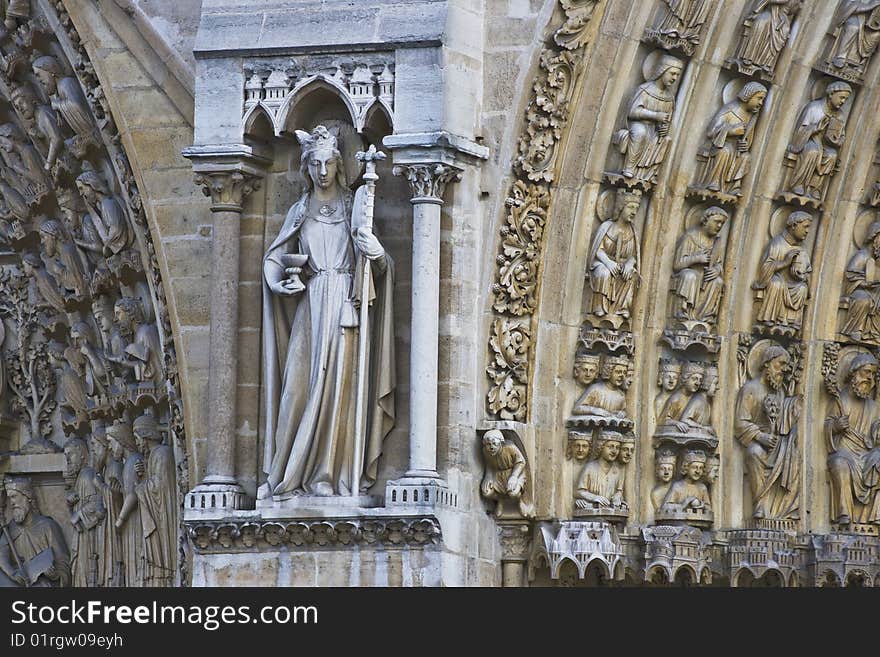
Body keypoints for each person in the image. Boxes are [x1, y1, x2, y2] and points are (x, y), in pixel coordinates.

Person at [259, 125, 396, 499]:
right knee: (297, 388)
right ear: (307, 167)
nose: (322, 171)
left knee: (340, 390)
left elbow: (379, 269)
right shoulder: (300, 209)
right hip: (311, 300)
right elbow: (275, 256)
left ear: (338, 165)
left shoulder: (355, 208)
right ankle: (287, 474)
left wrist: (377, 253)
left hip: (344, 306)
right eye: (315, 164)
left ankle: (328, 477)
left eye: (329, 163)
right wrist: (277, 282)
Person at [734, 344, 800, 520]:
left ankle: (786, 507)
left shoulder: (781, 392)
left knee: (794, 453)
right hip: (759, 441)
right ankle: (760, 504)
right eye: (780, 364)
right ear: (767, 364)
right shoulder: (750, 388)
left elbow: (784, 421)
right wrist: (760, 436)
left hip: (777, 442)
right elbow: (740, 422)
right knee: (754, 452)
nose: (783, 370)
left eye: (786, 366)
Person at [824, 352, 880, 525]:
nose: (869, 378)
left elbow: (875, 435)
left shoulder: (873, 406)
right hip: (845, 452)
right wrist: (835, 427)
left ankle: (876, 515)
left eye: (872, 374)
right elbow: (828, 425)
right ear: (854, 373)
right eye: (866, 372)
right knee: (838, 462)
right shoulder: (839, 400)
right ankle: (844, 514)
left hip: (866, 454)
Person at [613, 55, 683, 185]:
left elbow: (667, 119)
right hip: (639, 124)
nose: (675, 78)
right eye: (672, 73)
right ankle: (629, 167)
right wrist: (655, 115)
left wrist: (664, 128)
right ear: (662, 70)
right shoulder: (645, 89)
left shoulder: (669, 97)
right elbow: (633, 111)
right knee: (640, 133)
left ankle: (649, 173)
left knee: (667, 140)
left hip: (654, 130)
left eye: (677, 75)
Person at [693, 83, 767, 197]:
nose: (761, 103)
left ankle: (734, 187)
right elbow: (710, 132)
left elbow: (748, 138)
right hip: (718, 146)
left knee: (746, 157)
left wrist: (745, 145)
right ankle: (714, 182)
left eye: (762, 100)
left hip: (736, 150)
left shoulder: (752, 116)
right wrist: (730, 131)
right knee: (725, 151)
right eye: (759, 98)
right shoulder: (729, 109)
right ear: (749, 95)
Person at [783, 81, 851, 201]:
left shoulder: (840, 115)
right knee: (812, 151)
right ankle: (798, 183)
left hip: (825, 145)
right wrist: (815, 128)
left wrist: (837, 141)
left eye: (845, 99)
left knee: (832, 155)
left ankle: (815, 188)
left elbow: (842, 136)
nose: (843, 101)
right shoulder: (814, 107)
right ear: (831, 94)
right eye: (841, 97)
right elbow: (800, 131)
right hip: (810, 141)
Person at [0, 477, 70, 587]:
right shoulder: (9, 529)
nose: (12, 503)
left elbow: (63, 563)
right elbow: (1, 555)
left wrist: (55, 574)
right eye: (9, 499)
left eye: (14, 497)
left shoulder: (47, 526)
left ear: (27, 496)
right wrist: (12, 573)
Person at [587, 189, 641, 327]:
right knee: (603, 272)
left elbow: (634, 255)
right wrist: (608, 263)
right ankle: (600, 306)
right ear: (620, 207)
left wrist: (629, 264)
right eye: (630, 207)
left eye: (636, 208)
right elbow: (597, 250)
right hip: (604, 262)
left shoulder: (633, 231)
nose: (634, 212)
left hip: (622, 265)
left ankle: (623, 308)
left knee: (631, 275)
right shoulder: (607, 226)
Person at [753, 211, 813, 330]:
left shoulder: (803, 248)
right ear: (794, 225)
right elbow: (765, 268)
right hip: (778, 280)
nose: (807, 231)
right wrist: (785, 263)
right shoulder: (777, 243)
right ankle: (770, 317)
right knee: (777, 284)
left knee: (802, 288)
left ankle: (793, 321)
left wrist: (802, 276)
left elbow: (808, 271)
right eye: (805, 227)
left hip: (794, 284)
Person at [670, 207, 728, 326]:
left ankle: (704, 316)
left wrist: (717, 270)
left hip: (704, 279)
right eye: (716, 221)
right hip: (688, 275)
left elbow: (718, 263)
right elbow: (677, 264)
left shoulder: (715, 242)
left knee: (718, 281)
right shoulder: (690, 236)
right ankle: (682, 311)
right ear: (705, 220)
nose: (719, 226)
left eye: (722, 223)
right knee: (690, 275)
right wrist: (696, 258)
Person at [732, 0, 802, 77]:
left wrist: (796, 5)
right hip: (770, 12)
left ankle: (766, 62)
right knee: (761, 23)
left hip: (781, 18)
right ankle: (748, 57)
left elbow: (792, 11)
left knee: (784, 31)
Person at [840, 221, 880, 343]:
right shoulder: (862, 255)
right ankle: (855, 329)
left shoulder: (877, 259)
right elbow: (850, 274)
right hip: (858, 290)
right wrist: (864, 283)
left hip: (873, 292)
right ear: (874, 239)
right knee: (863, 299)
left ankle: (874, 332)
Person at [480, 430, 534, 518]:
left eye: (494, 444)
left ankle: (520, 501)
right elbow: (489, 464)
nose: (491, 447)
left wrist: (514, 477)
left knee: (513, 493)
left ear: (501, 443)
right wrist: (488, 477)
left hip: (515, 472)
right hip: (498, 475)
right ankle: (500, 500)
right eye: (488, 444)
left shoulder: (510, 447)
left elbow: (521, 462)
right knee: (486, 492)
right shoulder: (486, 451)